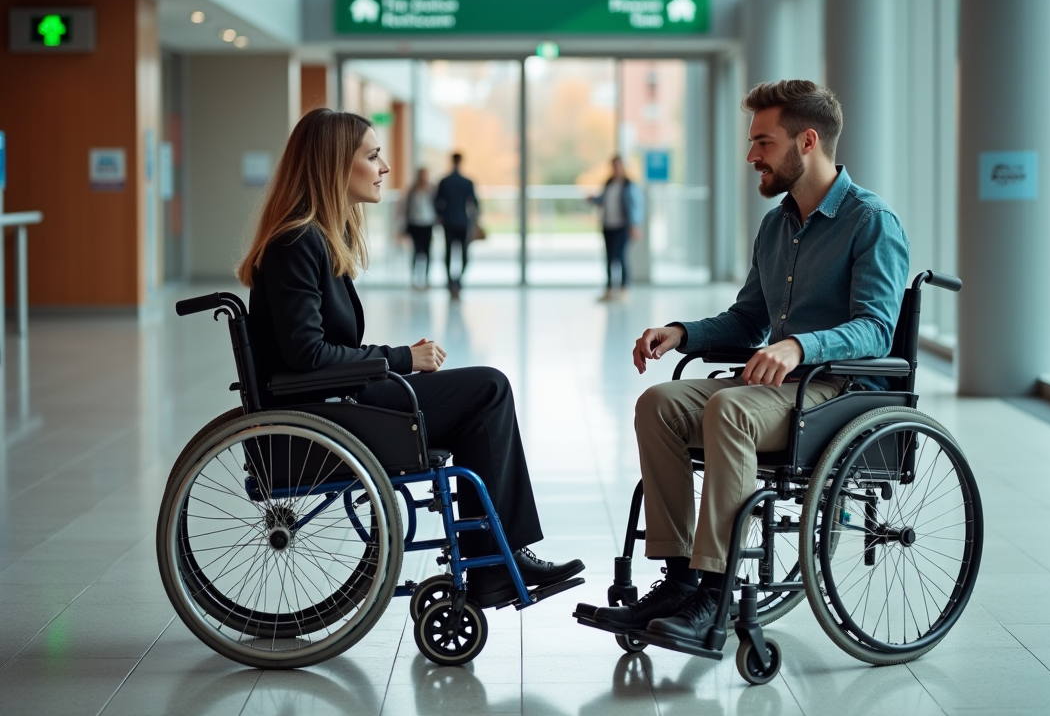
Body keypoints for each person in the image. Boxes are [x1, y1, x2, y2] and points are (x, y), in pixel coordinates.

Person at [586, 80, 909, 642]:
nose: (751, 155)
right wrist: (682, 333)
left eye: (763, 141)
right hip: (777, 388)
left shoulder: (871, 221)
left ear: (807, 142)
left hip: (836, 392)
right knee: (658, 402)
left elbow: (879, 328)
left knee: (730, 411)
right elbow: (746, 320)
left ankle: (717, 590)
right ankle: (681, 577)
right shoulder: (776, 225)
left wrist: (799, 346)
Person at [238, 109, 583, 607]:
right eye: (373, 156)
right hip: (318, 416)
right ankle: (500, 559)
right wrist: (402, 358)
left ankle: (496, 559)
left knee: (480, 400)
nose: (384, 168)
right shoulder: (297, 241)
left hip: (332, 403)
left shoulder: (313, 238)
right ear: (336, 165)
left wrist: (393, 359)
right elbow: (307, 355)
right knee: (488, 387)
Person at [590, 156, 644, 302]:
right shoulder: (608, 183)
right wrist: (592, 199)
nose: (616, 169)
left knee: (620, 257)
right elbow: (603, 200)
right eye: (613, 166)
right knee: (608, 258)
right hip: (608, 225)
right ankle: (609, 289)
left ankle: (623, 289)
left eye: (618, 166)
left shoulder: (628, 185)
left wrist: (635, 225)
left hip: (622, 227)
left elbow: (635, 206)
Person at [435, 151, 478, 299]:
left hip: (448, 222)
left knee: (448, 253)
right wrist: (473, 220)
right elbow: (475, 204)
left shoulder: (444, 181)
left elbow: (437, 202)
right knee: (464, 254)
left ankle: (450, 282)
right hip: (463, 222)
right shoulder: (467, 182)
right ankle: (457, 282)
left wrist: (441, 215)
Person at [404, 167, 436, 289]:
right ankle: (415, 279)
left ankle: (426, 278)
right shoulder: (413, 189)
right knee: (416, 252)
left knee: (427, 252)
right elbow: (408, 207)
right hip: (415, 224)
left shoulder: (431, 189)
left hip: (428, 224)